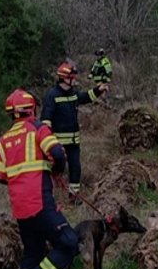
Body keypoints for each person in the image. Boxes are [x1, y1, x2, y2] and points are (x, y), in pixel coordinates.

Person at [0, 88, 78, 269]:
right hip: (40, 202)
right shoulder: (38, 128)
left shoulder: (4, 140)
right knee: (69, 244)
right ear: (31, 109)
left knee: (33, 252)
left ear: (12, 114)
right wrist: (55, 170)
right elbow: (58, 154)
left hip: (20, 208)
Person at [41, 61, 108, 202]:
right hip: (57, 144)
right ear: (64, 78)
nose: (74, 80)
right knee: (54, 171)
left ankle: (74, 196)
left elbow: (85, 97)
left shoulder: (73, 93)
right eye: (72, 77)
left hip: (73, 142)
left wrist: (98, 90)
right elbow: (46, 119)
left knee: (75, 168)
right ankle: (50, 197)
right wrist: (48, 142)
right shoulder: (52, 95)